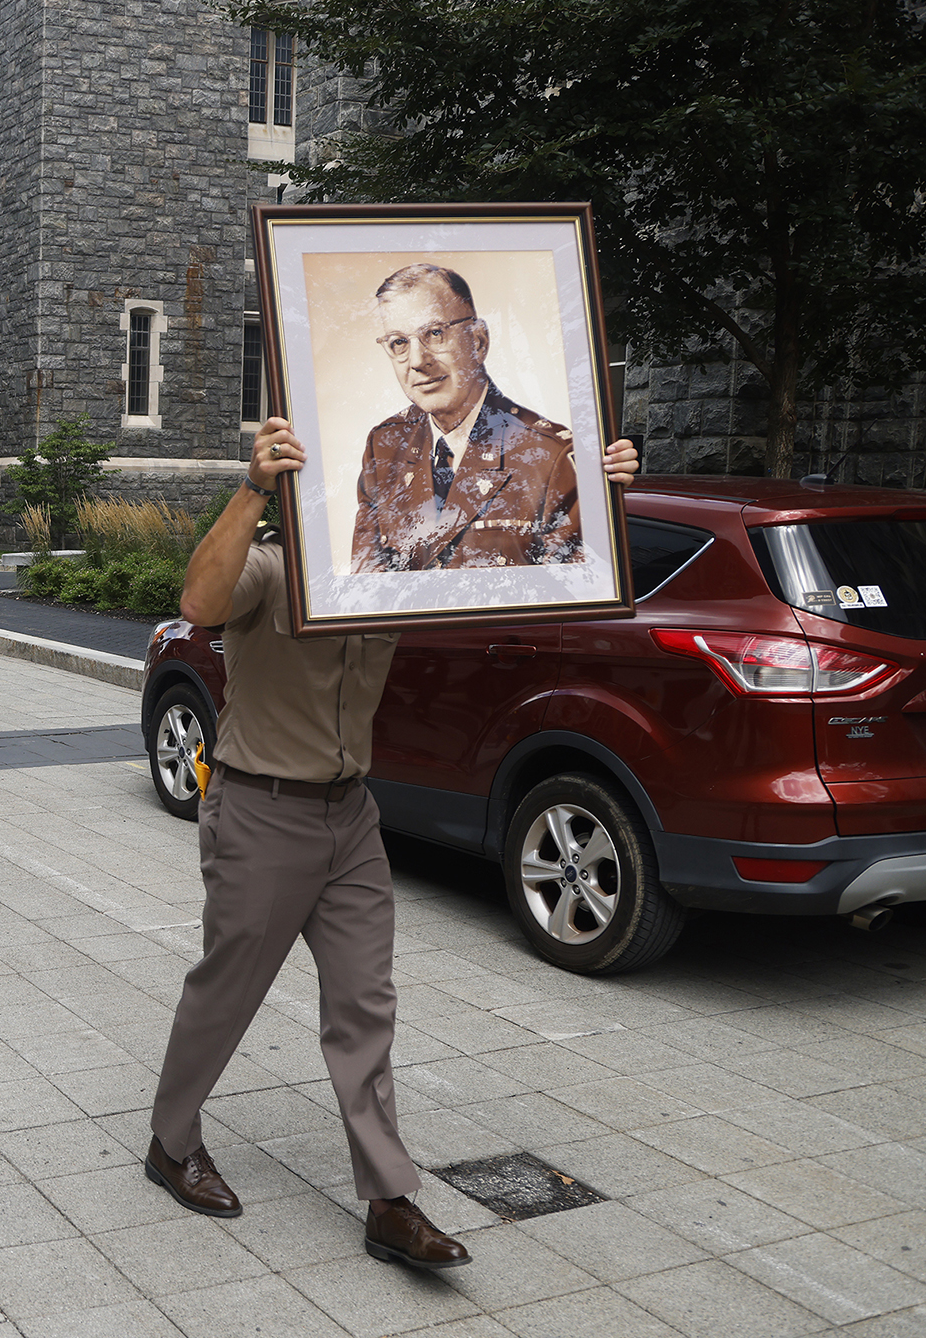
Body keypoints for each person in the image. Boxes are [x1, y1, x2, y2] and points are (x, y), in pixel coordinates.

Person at [144, 416, 641, 1269]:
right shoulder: (273, 567)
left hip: (351, 821)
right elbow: (199, 601)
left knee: (365, 1009)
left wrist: (592, 491)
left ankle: (388, 1199)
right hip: (262, 811)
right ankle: (170, 1140)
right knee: (226, 992)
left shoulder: (403, 572)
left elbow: (530, 565)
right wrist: (254, 486)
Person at [350, 263, 583, 573]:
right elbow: (364, 590)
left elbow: (568, 596)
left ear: (479, 341)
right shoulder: (385, 446)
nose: (418, 361)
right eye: (399, 343)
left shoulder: (550, 458)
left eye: (435, 333)